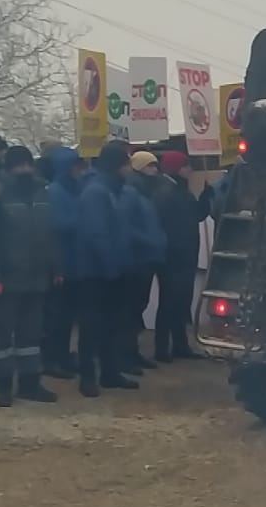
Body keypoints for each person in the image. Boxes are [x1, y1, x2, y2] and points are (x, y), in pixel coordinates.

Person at [0, 146, 61, 406]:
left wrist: (57, 267)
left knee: (31, 335)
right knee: (2, 335)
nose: (25, 170)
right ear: (8, 168)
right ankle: (3, 386)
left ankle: (30, 383)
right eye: (19, 165)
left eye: (28, 164)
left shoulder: (44, 192)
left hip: (37, 275)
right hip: (5, 278)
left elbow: (52, 234)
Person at [75, 142, 139, 396]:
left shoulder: (113, 190)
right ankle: (87, 377)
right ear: (117, 166)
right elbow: (97, 234)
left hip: (113, 269)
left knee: (112, 324)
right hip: (94, 273)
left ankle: (110, 373)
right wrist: (111, 267)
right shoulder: (96, 192)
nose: (129, 169)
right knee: (91, 326)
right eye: (126, 164)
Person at [149, 151, 210, 362]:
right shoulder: (165, 192)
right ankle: (162, 347)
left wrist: (205, 198)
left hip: (185, 253)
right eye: (186, 166)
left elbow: (195, 214)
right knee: (169, 302)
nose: (189, 170)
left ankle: (180, 344)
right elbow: (164, 224)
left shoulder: (180, 190)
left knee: (181, 301)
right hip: (173, 255)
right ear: (176, 168)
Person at [120, 151, 167, 373]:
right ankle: (125, 354)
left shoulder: (147, 191)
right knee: (130, 309)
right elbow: (129, 227)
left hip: (146, 258)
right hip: (136, 259)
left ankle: (132, 353)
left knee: (139, 305)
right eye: (150, 166)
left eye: (156, 166)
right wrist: (147, 241)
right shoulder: (131, 192)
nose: (155, 171)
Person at [41, 147, 86, 379]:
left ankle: (63, 355)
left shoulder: (75, 188)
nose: (79, 169)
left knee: (68, 315)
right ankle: (52, 358)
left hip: (76, 261)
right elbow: (56, 227)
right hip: (61, 262)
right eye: (74, 165)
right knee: (57, 316)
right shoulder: (56, 192)